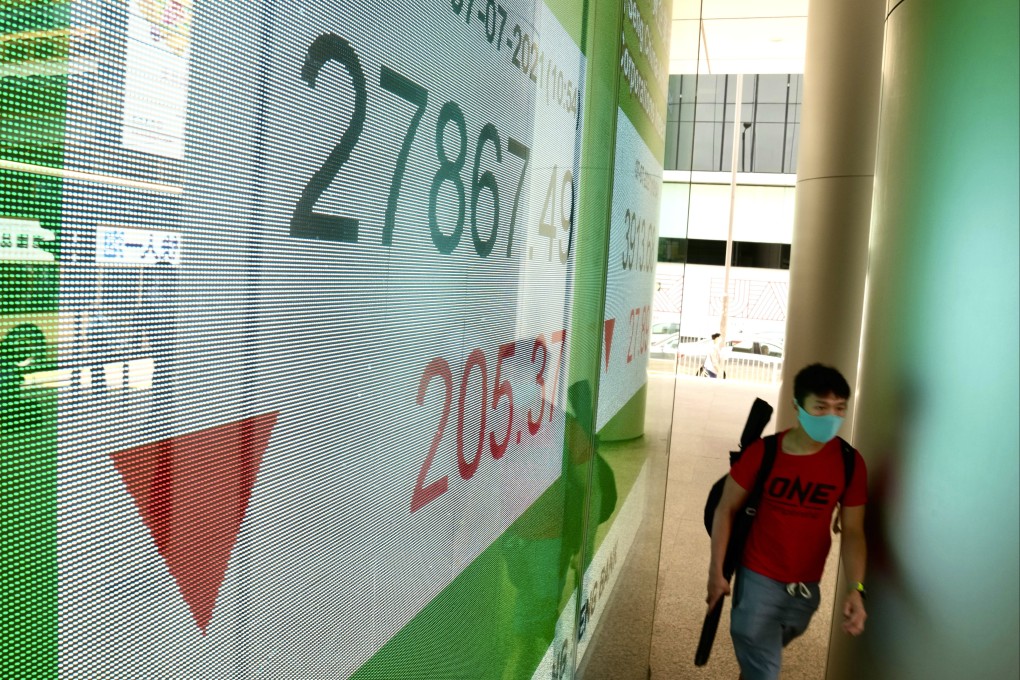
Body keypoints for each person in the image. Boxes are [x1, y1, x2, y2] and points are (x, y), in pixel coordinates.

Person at [707, 363, 868, 680]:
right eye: (820, 407)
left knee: (761, 659)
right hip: (758, 578)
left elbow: (852, 531)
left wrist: (856, 588)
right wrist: (716, 572)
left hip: (806, 587)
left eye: (839, 408)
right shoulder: (763, 454)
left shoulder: (850, 463)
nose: (830, 417)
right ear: (797, 406)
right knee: (765, 668)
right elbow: (725, 509)